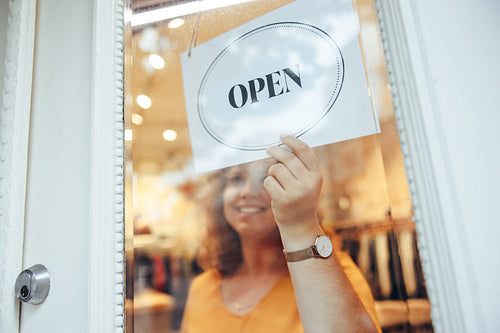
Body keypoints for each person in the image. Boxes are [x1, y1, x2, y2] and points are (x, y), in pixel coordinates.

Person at [181, 135, 381, 333]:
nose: (248, 192)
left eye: (266, 179)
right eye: (237, 179)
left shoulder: (331, 275)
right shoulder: (202, 288)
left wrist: (301, 226)